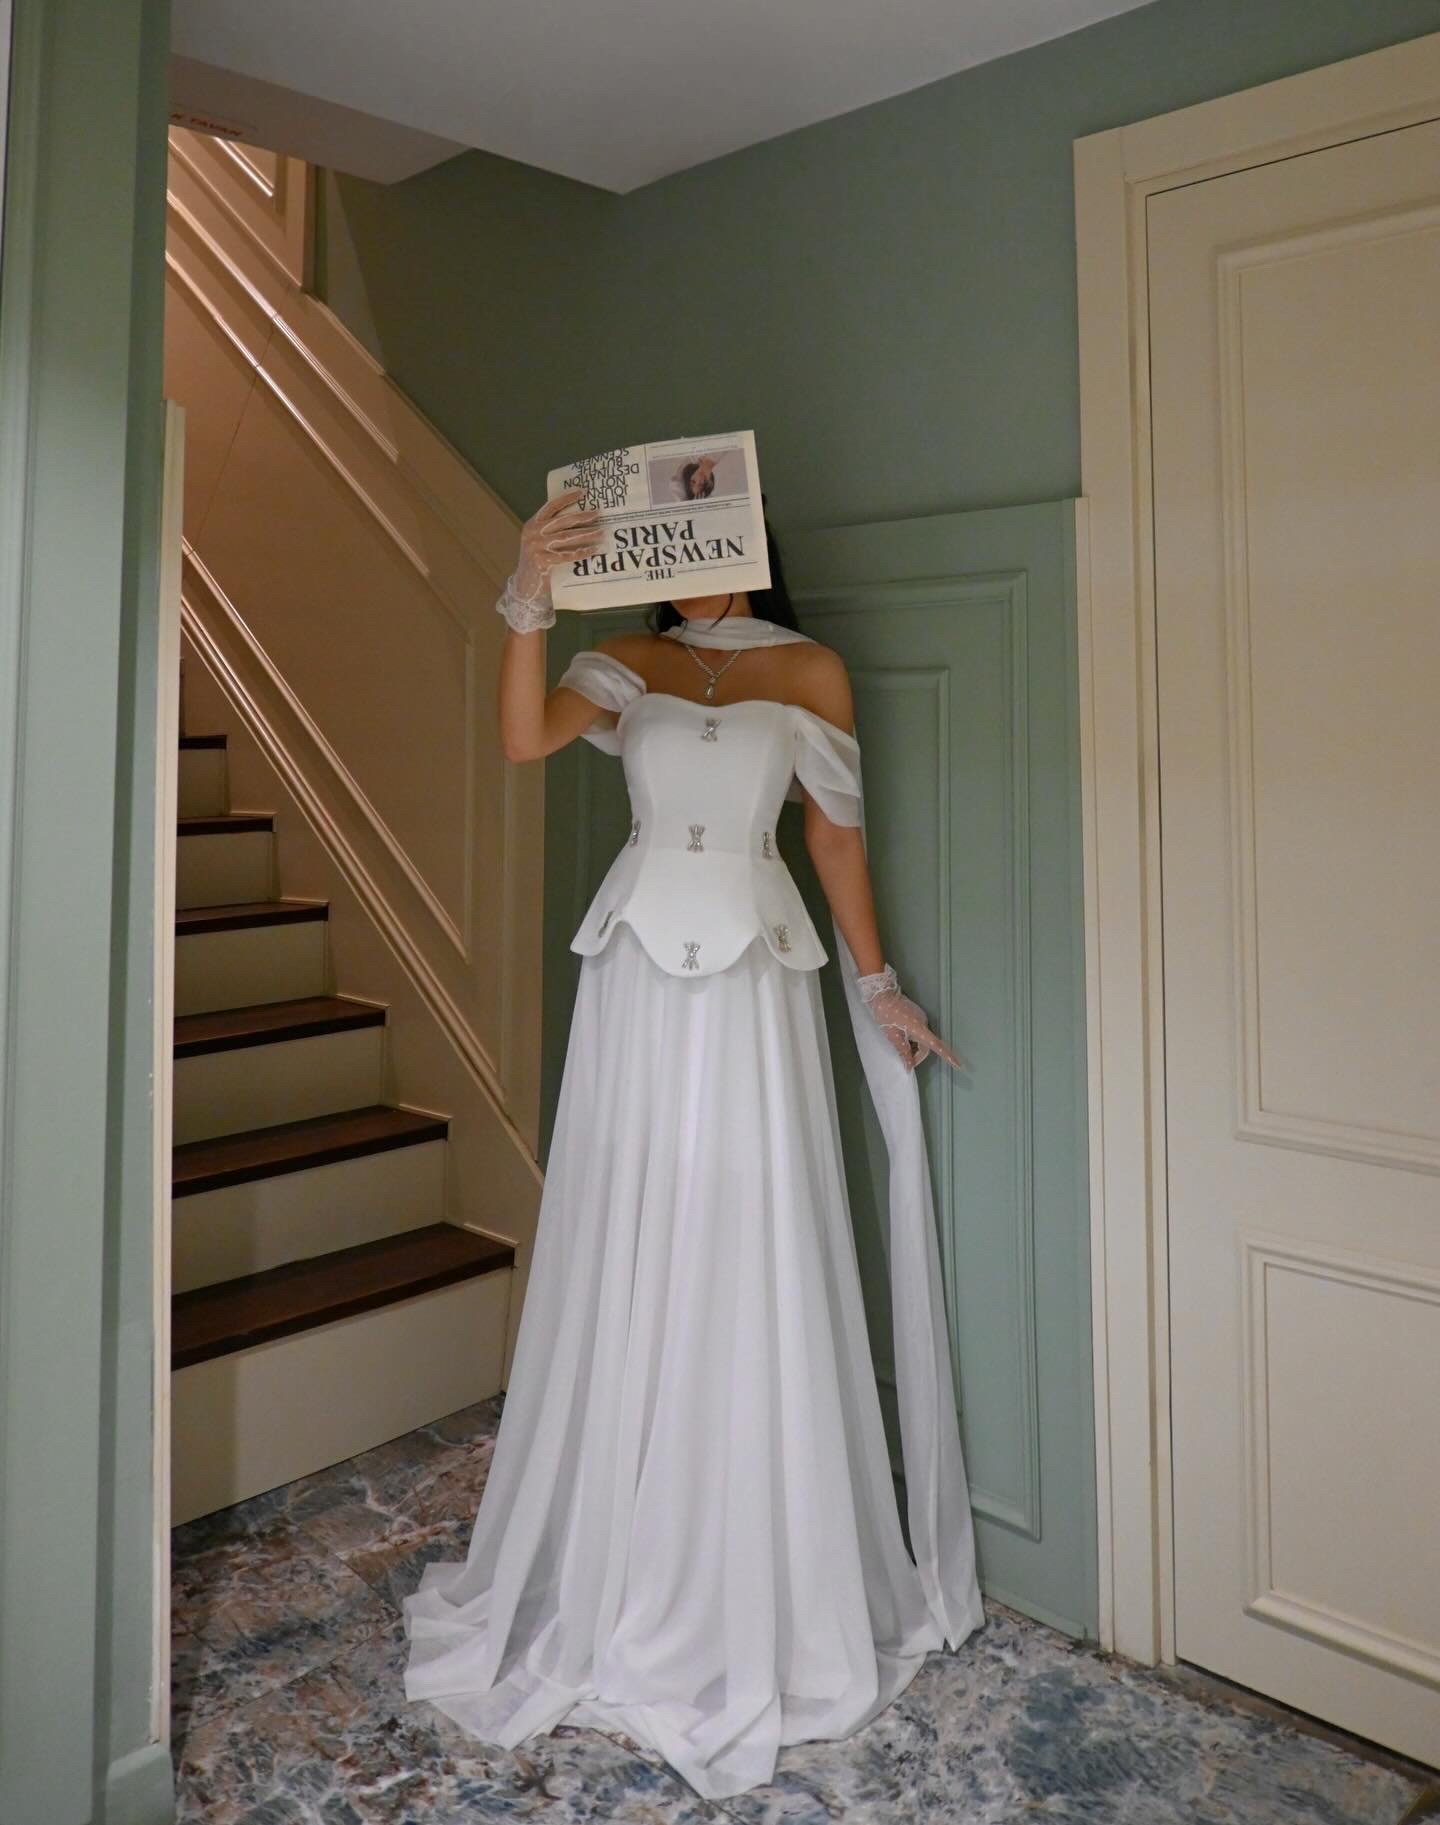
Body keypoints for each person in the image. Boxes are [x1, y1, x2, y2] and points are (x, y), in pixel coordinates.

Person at [402, 488, 985, 1801]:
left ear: (745, 539)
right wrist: (528, 586)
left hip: (754, 980)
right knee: (637, 1230)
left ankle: (744, 1560)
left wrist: (879, 986)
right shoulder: (627, 659)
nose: (677, 558)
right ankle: (623, 1548)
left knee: (748, 1239)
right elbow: (520, 739)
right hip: (638, 983)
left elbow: (833, 837)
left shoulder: (810, 669)